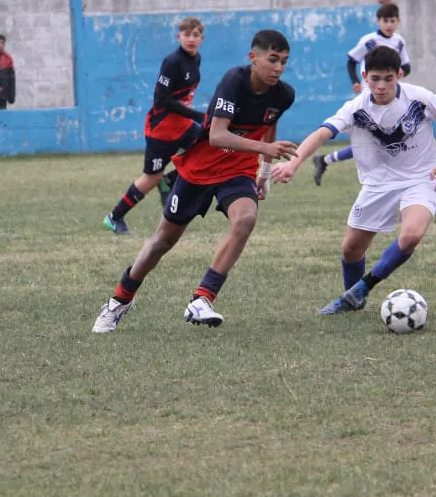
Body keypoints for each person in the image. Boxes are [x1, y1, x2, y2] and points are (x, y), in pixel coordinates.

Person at [92, 29, 298, 334]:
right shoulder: (234, 80)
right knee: (163, 241)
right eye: (272, 60)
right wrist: (266, 149)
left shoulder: (284, 93)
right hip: (198, 170)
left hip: (237, 171)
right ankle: (119, 300)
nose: (278, 68)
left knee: (245, 220)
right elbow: (217, 135)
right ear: (253, 58)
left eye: (283, 61)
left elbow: (270, 123)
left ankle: (202, 298)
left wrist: (264, 172)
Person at [270, 45, 436, 316]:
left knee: (410, 236)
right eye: (375, 79)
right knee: (351, 249)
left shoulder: (419, 98)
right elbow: (322, 133)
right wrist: (294, 162)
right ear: (364, 76)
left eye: (388, 79)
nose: (381, 86)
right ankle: (353, 303)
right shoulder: (357, 107)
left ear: (399, 75)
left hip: (421, 177)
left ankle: (361, 289)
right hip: (379, 183)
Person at [102, 17, 206, 235]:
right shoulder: (172, 62)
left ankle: (170, 180)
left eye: (195, 35)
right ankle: (114, 217)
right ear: (179, 37)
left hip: (183, 126)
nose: (191, 39)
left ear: (201, 39)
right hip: (162, 130)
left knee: (207, 148)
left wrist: (193, 117)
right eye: (187, 34)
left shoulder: (196, 60)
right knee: (151, 177)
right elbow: (163, 99)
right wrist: (197, 115)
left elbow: (184, 96)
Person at [312, 2, 412, 186]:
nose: (389, 24)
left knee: (377, 141)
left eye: (392, 20)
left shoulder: (399, 41)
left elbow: (407, 66)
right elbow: (351, 61)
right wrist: (356, 82)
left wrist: (396, 78)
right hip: (370, 96)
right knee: (375, 140)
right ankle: (327, 160)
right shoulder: (369, 41)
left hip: (391, 97)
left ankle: (325, 160)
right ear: (378, 21)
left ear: (398, 21)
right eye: (385, 20)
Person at [0, 34, 16, 109]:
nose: (0, 45)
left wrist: (11, 96)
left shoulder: (8, 58)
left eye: (2, 43)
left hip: (3, 95)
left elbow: (11, 78)